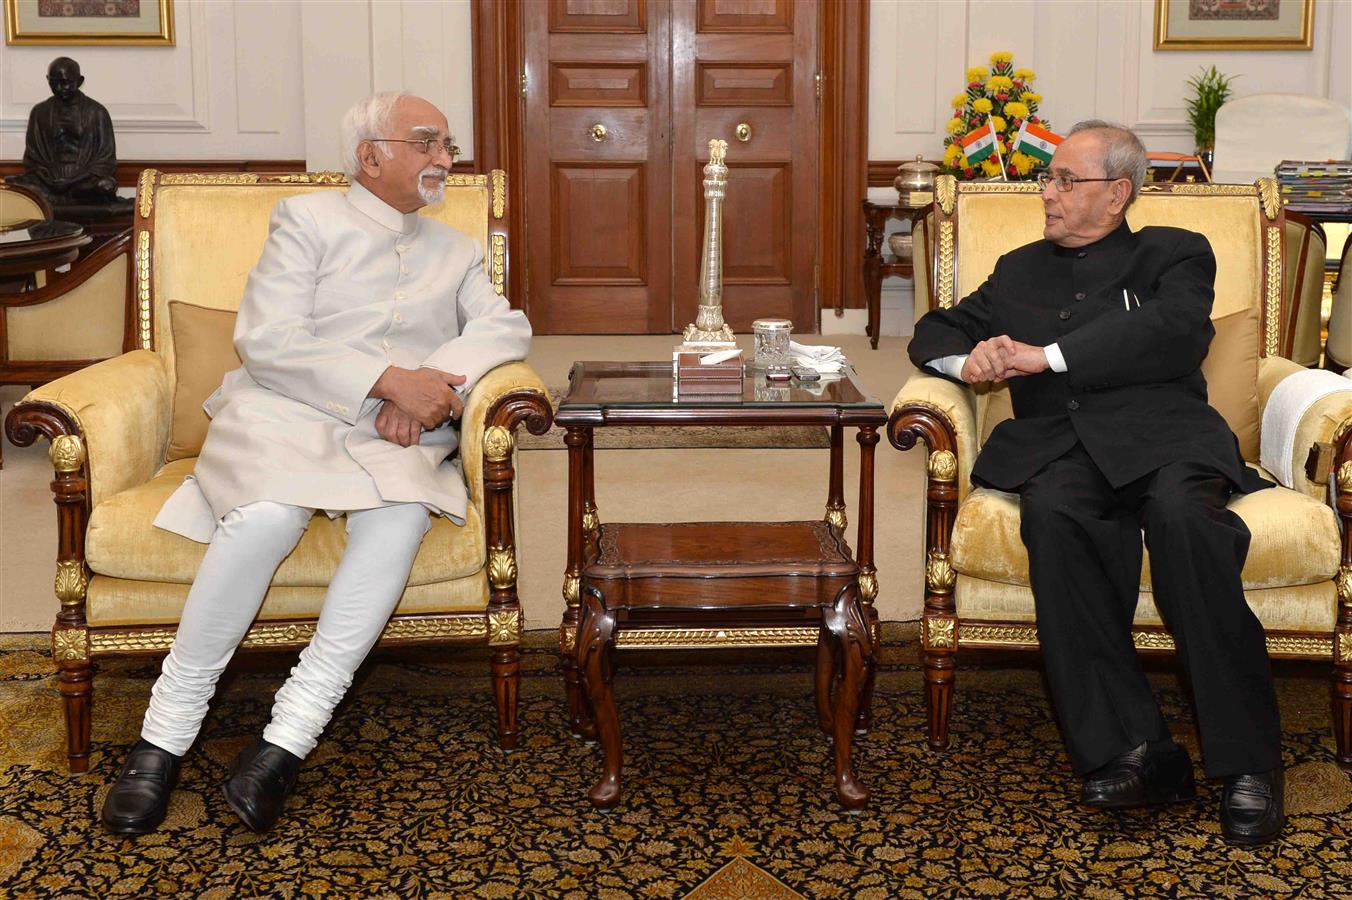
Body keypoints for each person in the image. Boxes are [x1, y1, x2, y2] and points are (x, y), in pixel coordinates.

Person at [100, 92, 531, 836]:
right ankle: (161, 739)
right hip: (286, 412)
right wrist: (383, 379)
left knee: (397, 524)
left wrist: (431, 385)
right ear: (371, 156)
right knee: (264, 520)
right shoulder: (308, 221)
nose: (445, 160)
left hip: (393, 435)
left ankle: (286, 740)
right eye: (427, 142)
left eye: (449, 145)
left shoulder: (455, 249)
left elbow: (507, 327)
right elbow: (268, 338)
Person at [907, 120, 1284, 845]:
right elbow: (936, 329)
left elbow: (1173, 331)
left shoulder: (1173, 254)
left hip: (1166, 440)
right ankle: (1138, 751)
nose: (1045, 192)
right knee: (1052, 517)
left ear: (1116, 193)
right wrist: (971, 364)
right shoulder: (1018, 269)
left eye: (1062, 180)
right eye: (1047, 179)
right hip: (1061, 450)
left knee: (1185, 523)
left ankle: (1249, 766)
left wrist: (1043, 357)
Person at [10, 57, 121, 205]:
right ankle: (61, 198)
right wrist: (49, 180)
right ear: (48, 80)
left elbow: (106, 160)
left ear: (80, 81)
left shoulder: (96, 112)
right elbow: (33, 158)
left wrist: (70, 182)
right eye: (54, 83)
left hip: (83, 180)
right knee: (13, 183)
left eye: (65, 83)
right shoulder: (39, 112)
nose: (60, 88)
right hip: (49, 180)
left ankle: (58, 199)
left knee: (106, 185)